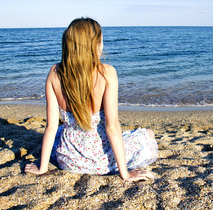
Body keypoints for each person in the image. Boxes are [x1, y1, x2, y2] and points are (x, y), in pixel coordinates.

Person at [25, 18, 158, 181]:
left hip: (68, 159)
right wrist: (125, 173)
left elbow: (51, 126)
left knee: (59, 131)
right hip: (101, 162)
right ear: (94, 44)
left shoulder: (55, 72)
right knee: (148, 135)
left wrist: (42, 168)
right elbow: (112, 127)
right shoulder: (107, 73)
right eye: (101, 40)